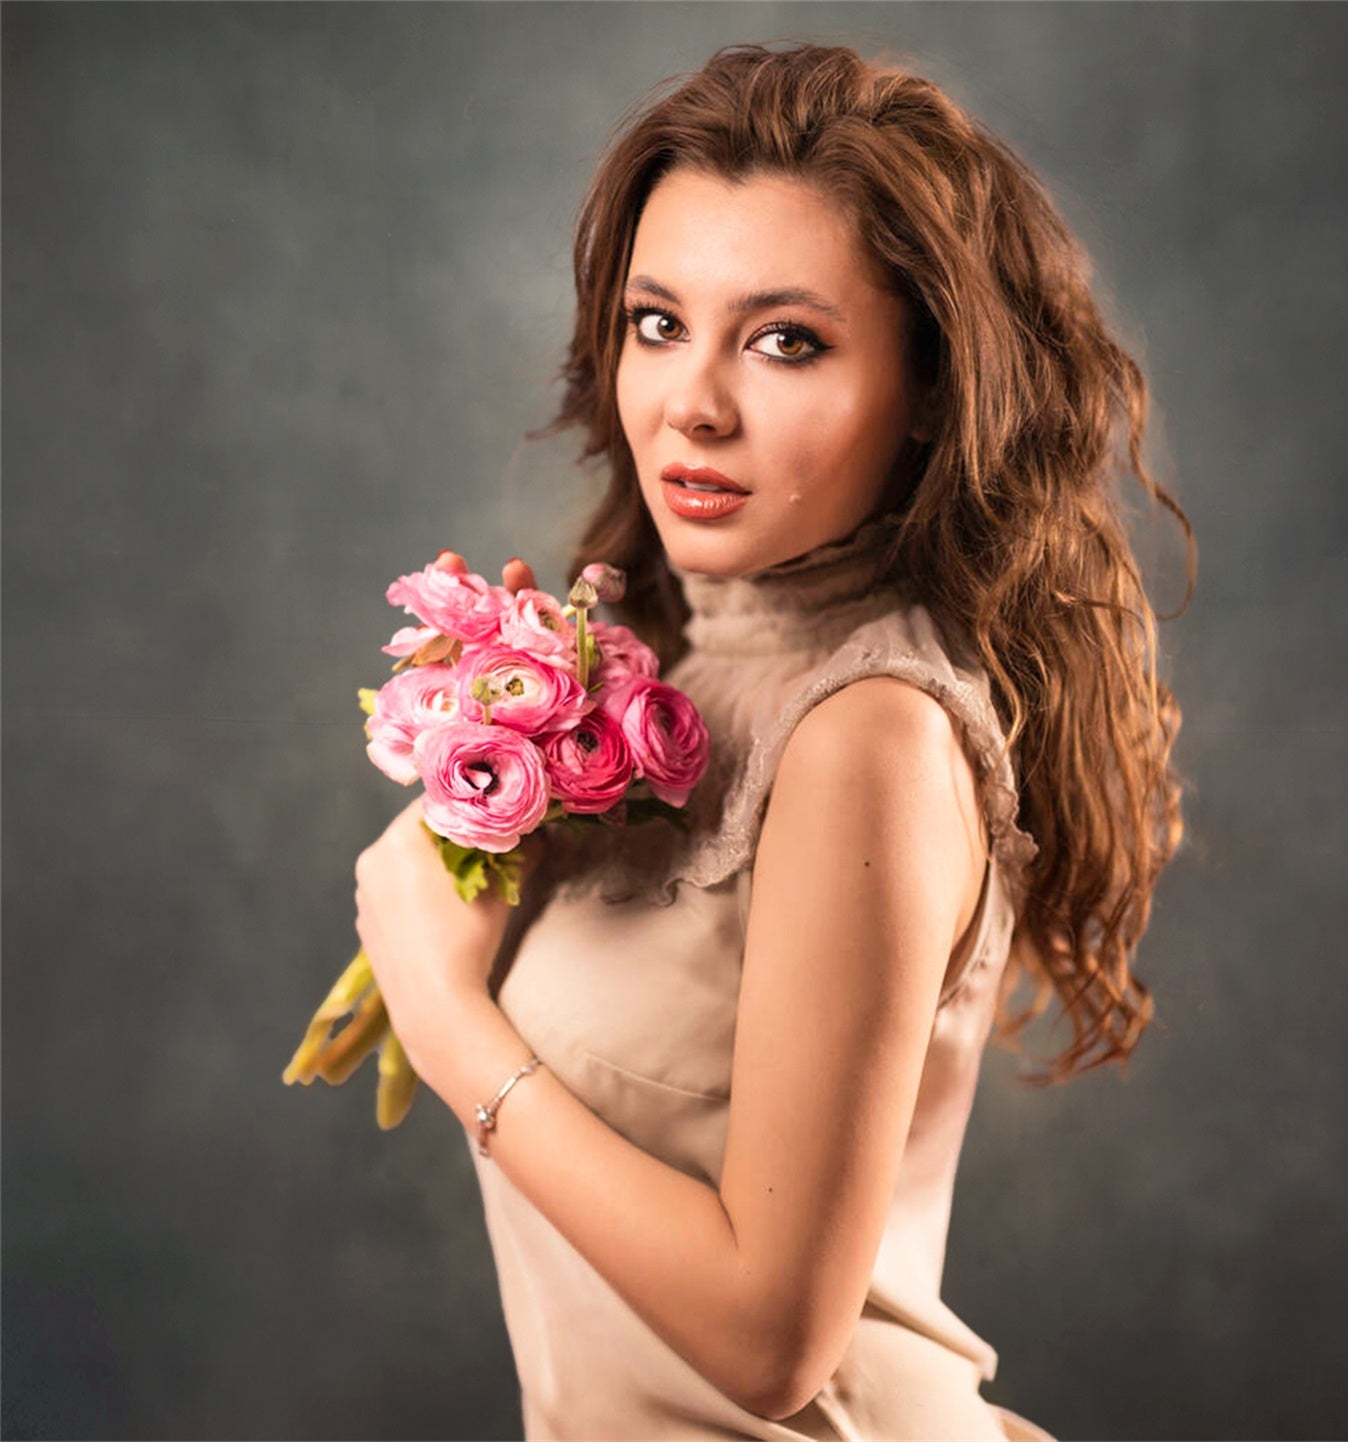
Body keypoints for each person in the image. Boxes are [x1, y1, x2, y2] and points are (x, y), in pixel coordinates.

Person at [351, 40, 1193, 1440]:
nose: (694, 403)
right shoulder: (668, 663)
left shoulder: (871, 734)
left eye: (786, 339)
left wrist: (450, 1024)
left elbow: (770, 1341)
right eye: (658, 322)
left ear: (929, 386)